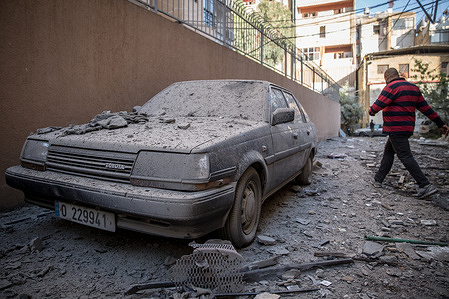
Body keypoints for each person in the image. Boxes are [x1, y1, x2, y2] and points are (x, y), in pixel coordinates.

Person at [369, 68, 449, 199]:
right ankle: (378, 179)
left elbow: (376, 107)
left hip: (395, 127)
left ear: (386, 77)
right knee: (389, 152)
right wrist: (441, 124)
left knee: (405, 156)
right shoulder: (413, 88)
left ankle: (425, 185)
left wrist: (371, 110)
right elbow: (426, 109)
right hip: (406, 128)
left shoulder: (391, 87)